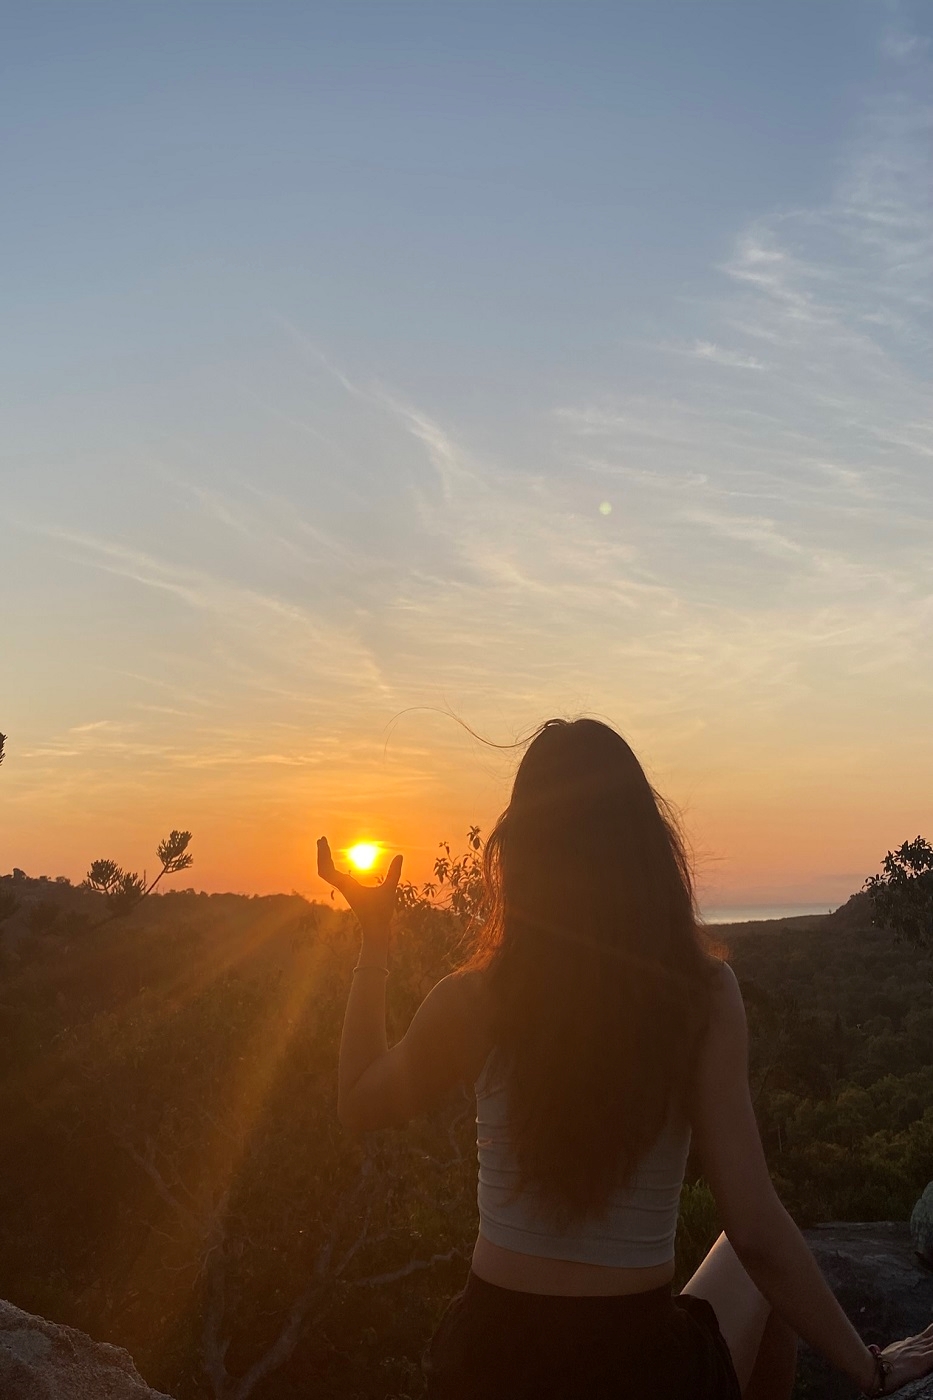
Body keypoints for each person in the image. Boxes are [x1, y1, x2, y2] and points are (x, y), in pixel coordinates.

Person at [318, 717, 933, 1399]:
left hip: (488, 1363)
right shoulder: (699, 996)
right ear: (648, 851)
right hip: (635, 1366)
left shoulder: (476, 997)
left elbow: (358, 1101)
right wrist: (870, 1367)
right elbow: (755, 1232)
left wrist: (375, 941)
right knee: (747, 1272)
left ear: (519, 853)